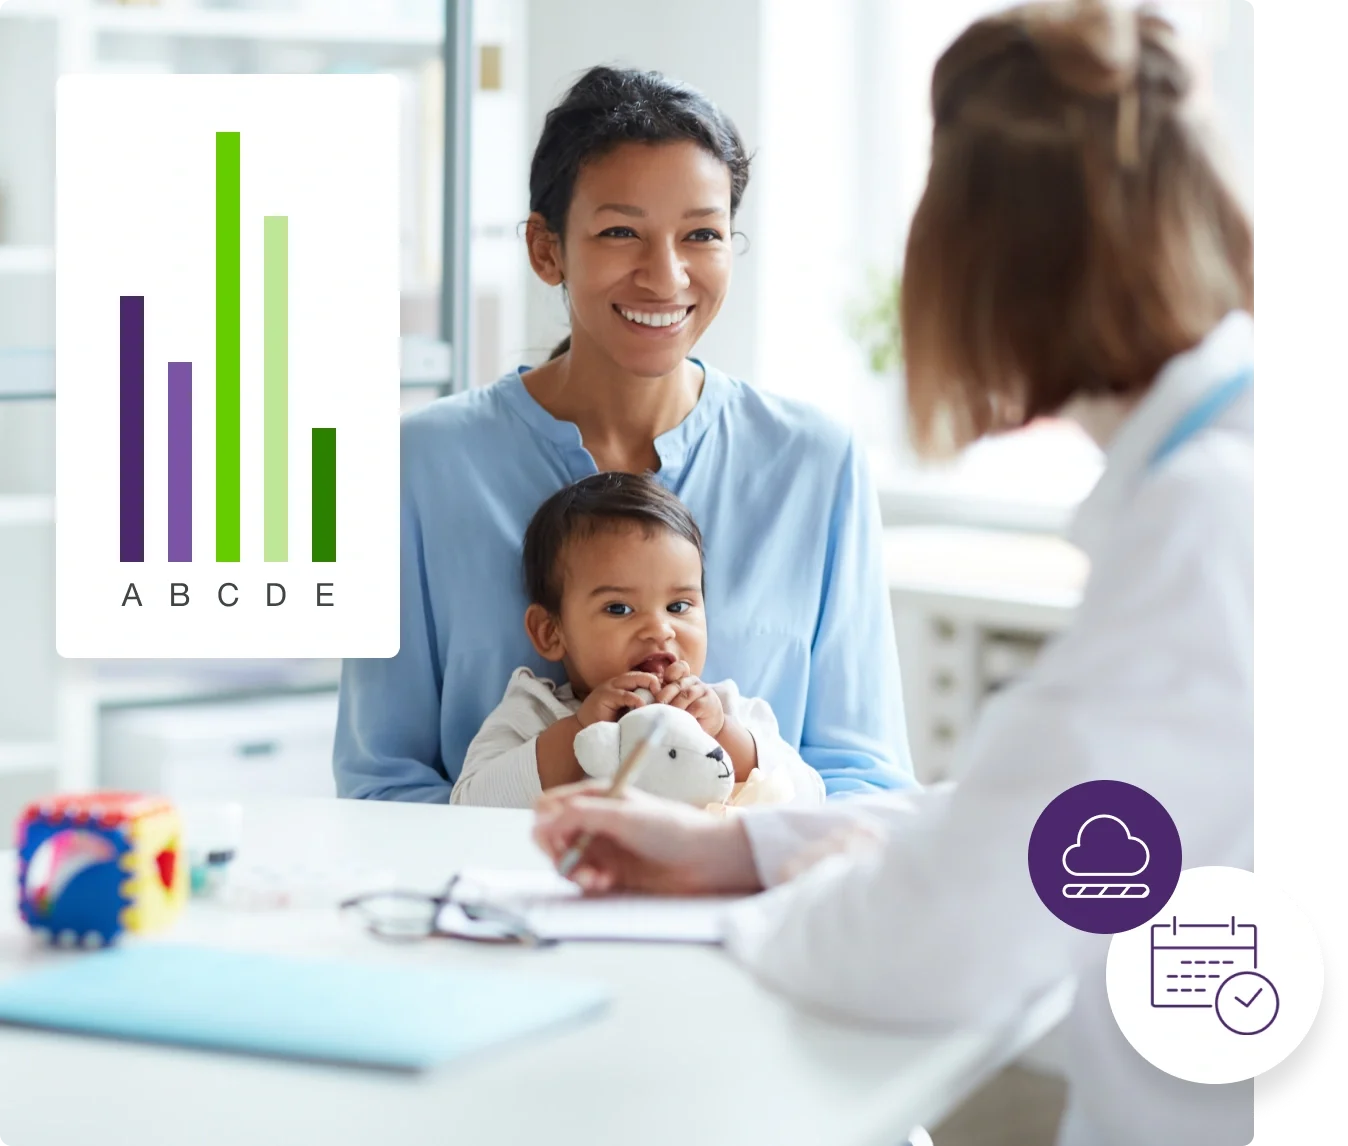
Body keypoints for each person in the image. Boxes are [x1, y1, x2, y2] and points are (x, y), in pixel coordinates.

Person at [532, 5, 1256, 1144]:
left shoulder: (1209, 519)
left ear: (992, 258)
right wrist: (746, 847)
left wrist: (771, 903)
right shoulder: (1211, 485)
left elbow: (962, 929)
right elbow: (1060, 816)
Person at [334, 66, 913, 802]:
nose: (665, 277)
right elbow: (381, 786)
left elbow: (868, 783)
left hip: (749, 909)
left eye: (701, 233)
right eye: (620, 232)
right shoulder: (416, 466)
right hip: (493, 909)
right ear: (547, 251)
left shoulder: (817, 464)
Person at [453, 471, 826, 808]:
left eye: (678, 606)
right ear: (551, 631)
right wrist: (579, 731)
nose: (659, 629)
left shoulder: (729, 708)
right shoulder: (533, 712)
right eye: (619, 609)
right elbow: (469, 806)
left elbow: (810, 798)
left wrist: (724, 735)